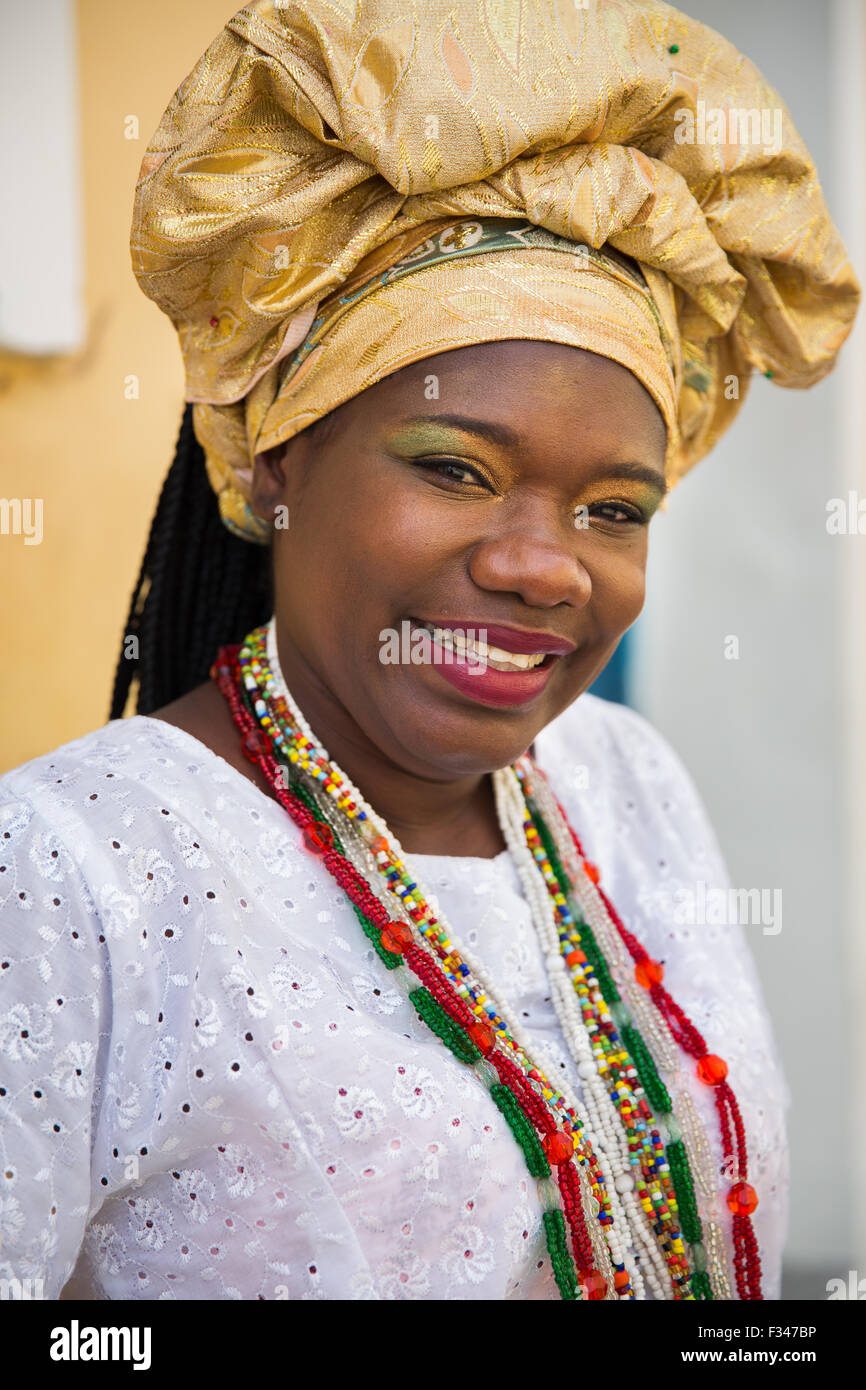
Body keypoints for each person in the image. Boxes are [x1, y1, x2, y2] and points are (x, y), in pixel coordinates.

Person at [0, 0, 858, 1302]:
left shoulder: (623, 780)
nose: (542, 563)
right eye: (455, 468)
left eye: (613, 508)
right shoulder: (73, 869)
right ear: (276, 462)